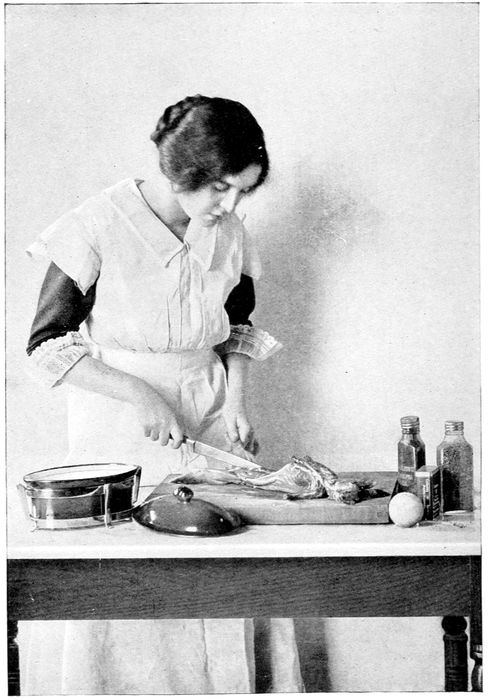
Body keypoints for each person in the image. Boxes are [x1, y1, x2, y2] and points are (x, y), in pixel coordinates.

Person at [19, 95, 305, 694]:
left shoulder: (229, 232)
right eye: (221, 188)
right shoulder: (97, 223)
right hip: (117, 420)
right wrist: (139, 395)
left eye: (242, 192)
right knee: (135, 575)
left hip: (208, 407)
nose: (230, 206)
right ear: (183, 170)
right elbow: (46, 344)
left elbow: (238, 328)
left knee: (229, 559)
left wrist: (237, 402)